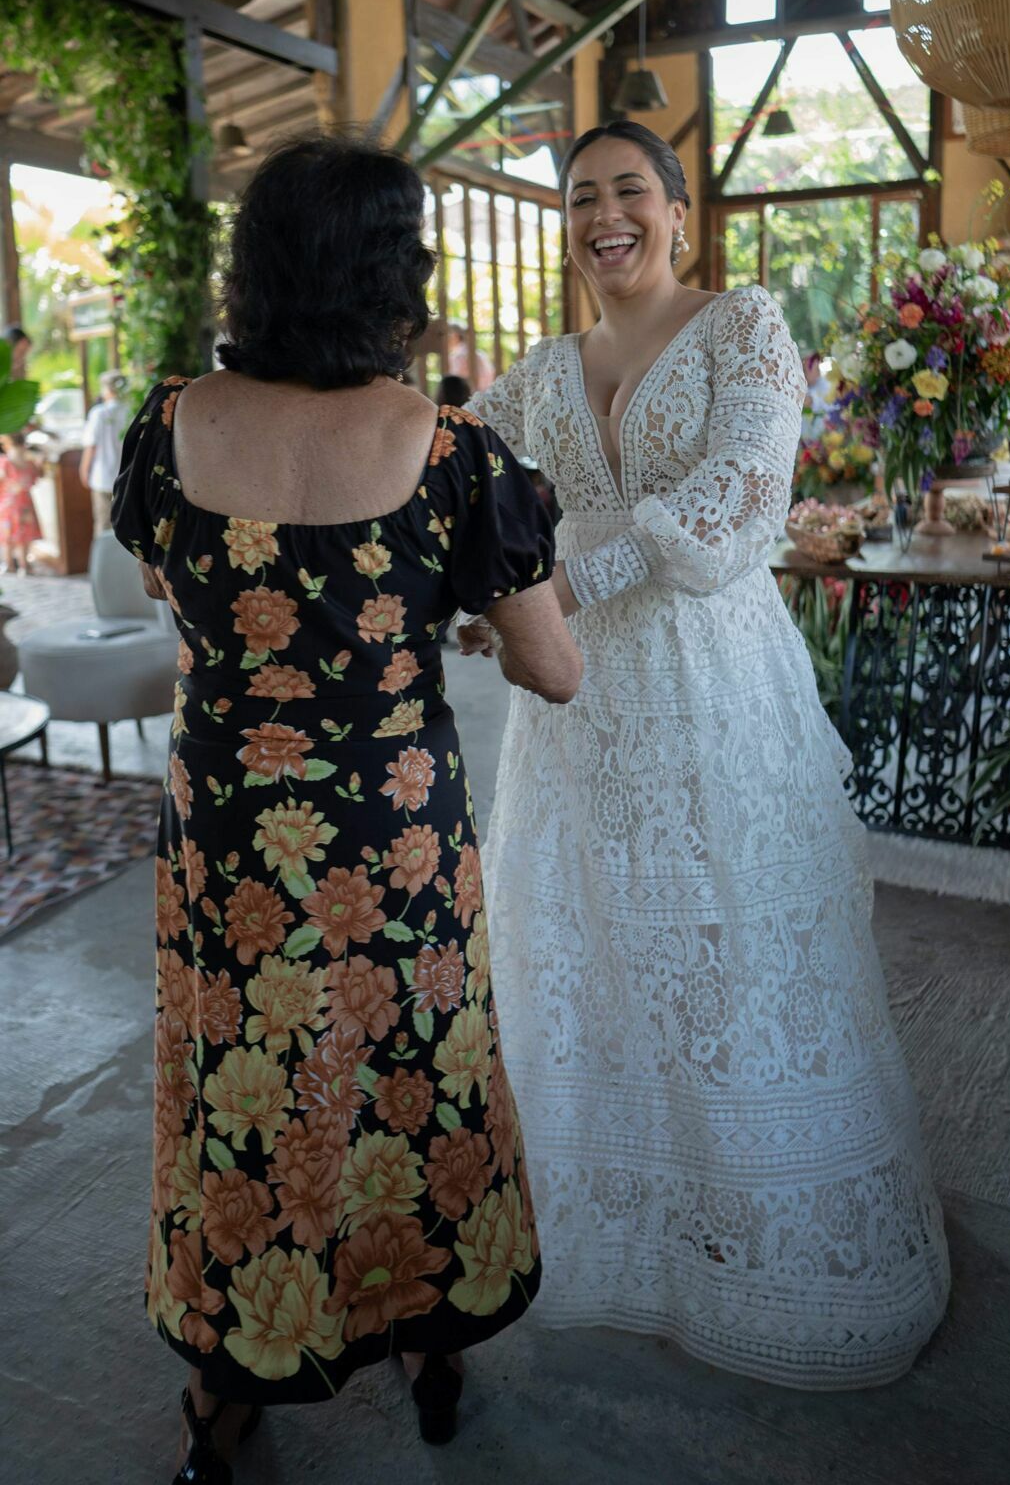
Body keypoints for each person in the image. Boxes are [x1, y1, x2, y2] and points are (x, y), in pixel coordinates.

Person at [111, 133, 581, 1482]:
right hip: (395, 831)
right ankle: (431, 1347)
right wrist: (459, 625)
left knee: (244, 1088)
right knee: (415, 1072)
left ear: (255, 267)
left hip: (230, 831)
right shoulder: (451, 451)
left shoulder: (169, 423)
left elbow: (175, 596)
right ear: (394, 272)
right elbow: (553, 668)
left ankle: (227, 1387)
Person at [459, 121, 949, 1390]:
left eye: (630, 191)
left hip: (714, 688)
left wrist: (565, 575)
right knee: (600, 945)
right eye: (581, 198)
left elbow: (737, 506)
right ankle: (628, 1240)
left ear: (679, 208)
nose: (606, 215)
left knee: (730, 950)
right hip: (574, 716)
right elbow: (451, 473)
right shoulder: (535, 370)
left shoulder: (745, 328)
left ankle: (768, 1242)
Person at [81, 369, 129, 536]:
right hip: (127, 477)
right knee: (126, 524)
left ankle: (104, 562)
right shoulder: (132, 410)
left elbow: (91, 446)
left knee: (103, 526)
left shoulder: (99, 413)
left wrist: (84, 470)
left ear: (108, 390)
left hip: (103, 478)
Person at [0, 430, 41, 575]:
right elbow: (35, 478)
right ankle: (24, 566)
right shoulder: (29, 463)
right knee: (23, 536)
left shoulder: (5, 462)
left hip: (8, 504)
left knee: (7, 536)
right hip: (25, 503)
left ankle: (9, 565)